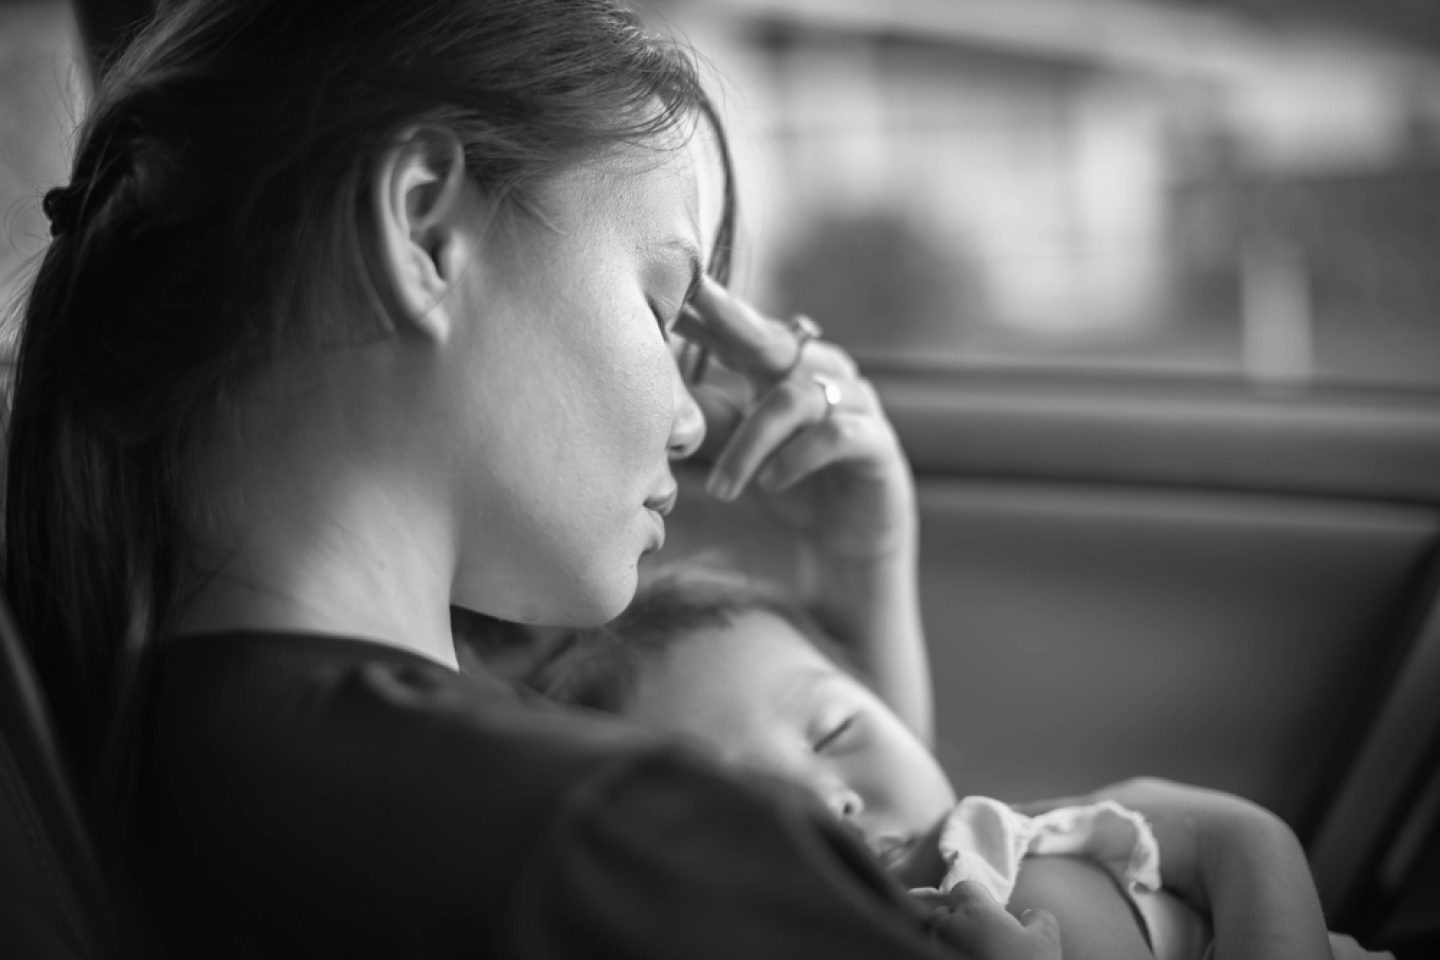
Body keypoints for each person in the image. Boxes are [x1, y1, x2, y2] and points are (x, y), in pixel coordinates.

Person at [0, 0, 1341, 957]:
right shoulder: (607, 836)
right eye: (661, 306)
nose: (693, 422)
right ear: (423, 228)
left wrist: (860, 583)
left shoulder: (166, 736)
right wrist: (1255, 861)